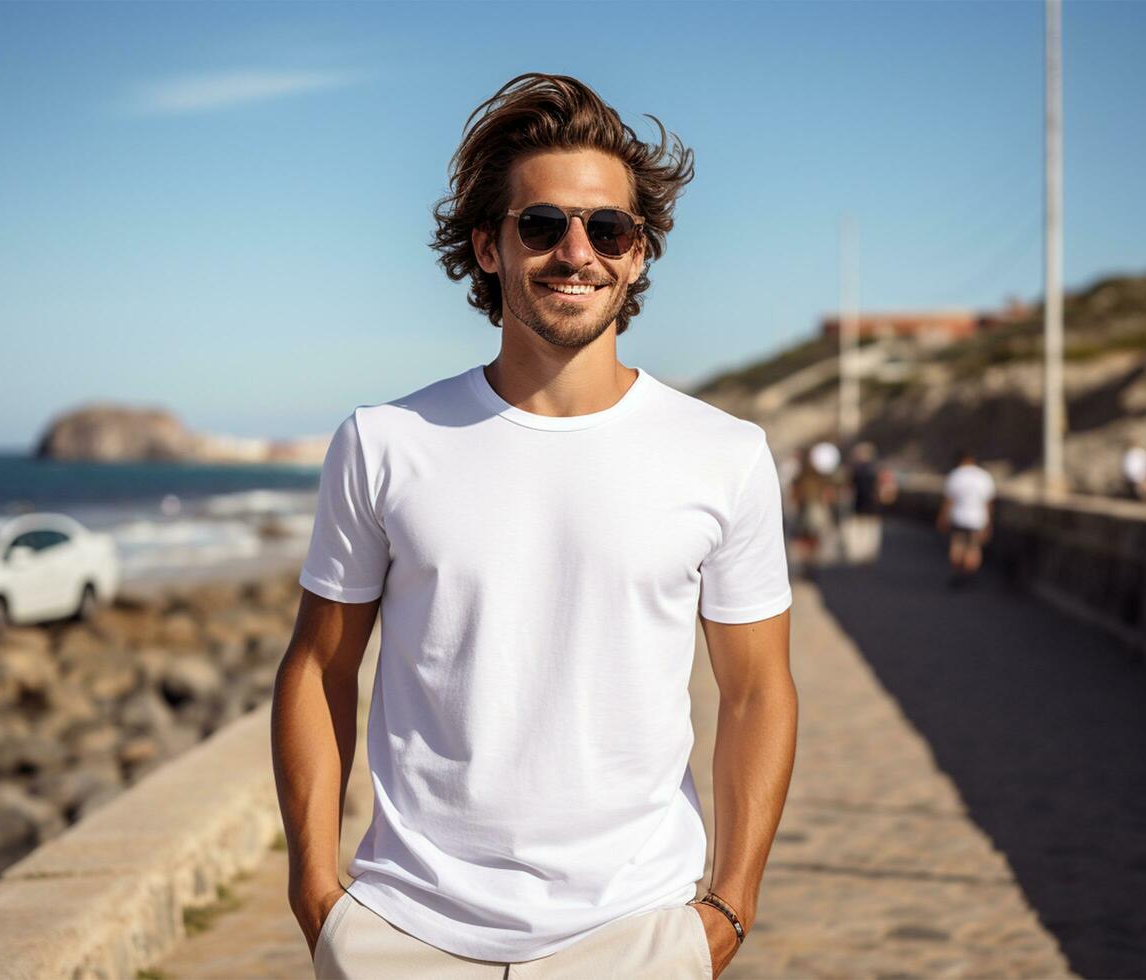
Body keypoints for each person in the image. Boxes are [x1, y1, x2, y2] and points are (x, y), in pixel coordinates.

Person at [272, 73, 796, 980]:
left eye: (609, 229)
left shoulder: (725, 454)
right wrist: (318, 895)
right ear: (488, 246)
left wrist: (730, 906)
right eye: (543, 225)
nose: (576, 252)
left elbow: (756, 691)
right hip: (405, 933)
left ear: (638, 255)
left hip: (638, 932)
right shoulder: (384, 443)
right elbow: (320, 666)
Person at [936, 450, 996, 586]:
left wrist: (942, 517)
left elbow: (948, 500)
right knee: (973, 548)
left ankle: (959, 574)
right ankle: (969, 575)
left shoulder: (955, 475)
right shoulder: (983, 476)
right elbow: (988, 502)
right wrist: (989, 522)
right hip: (977, 519)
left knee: (957, 546)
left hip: (958, 517)